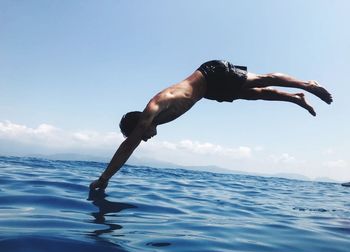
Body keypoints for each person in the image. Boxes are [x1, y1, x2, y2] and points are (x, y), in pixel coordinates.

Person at [90, 60, 332, 190]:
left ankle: (306, 85)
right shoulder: (155, 118)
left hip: (211, 74)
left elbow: (127, 147)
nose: (146, 139)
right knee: (255, 94)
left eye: (141, 136)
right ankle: (295, 98)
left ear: (138, 126)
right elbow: (132, 142)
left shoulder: (153, 110)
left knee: (262, 79)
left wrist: (104, 178)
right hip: (207, 91)